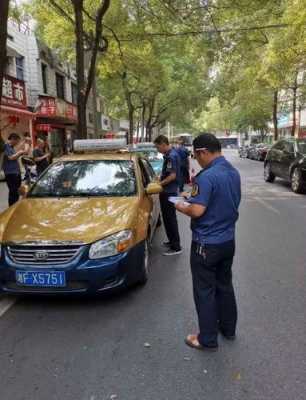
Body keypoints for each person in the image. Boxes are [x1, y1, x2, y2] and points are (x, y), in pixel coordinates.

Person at [175, 133, 241, 351]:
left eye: (195, 155)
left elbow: (197, 210)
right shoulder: (233, 172)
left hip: (206, 244)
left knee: (204, 291)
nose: (195, 159)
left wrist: (180, 205)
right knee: (225, 285)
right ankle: (228, 329)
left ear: (203, 152)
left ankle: (207, 339)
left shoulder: (206, 177)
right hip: (227, 241)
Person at [154, 135, 182, 256]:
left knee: (170, 219)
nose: (157, 150)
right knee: (168, 219)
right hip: (168, 191)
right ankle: (172, 241)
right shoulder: (171, 155)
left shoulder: (171, 156)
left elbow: (172, 176)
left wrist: (160, 183)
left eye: (157, 147)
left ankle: (176, 247)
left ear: (163, 144)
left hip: (169, 192)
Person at [3, 133, 27, 206]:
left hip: (16, 173)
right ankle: (12, 207)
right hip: (10, 173)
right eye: (17, 141)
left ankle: (15, 206)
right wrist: (19, 153)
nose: (17, 143)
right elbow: (11, 158)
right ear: (13, 139)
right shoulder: (5, 146)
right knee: (13, 192)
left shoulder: (12, 148)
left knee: (16, 191)